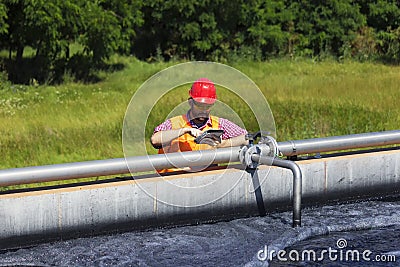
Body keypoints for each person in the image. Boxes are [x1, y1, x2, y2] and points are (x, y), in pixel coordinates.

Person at [151, 78, 248, 172]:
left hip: (206, 181)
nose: (204, 110)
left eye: (208, 106)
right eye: (200, 106)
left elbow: (246, 138)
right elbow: (155, 140)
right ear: (190, 102)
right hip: (173, 181)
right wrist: (184, 130)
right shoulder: (173, 123)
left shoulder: (220, 124)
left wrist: (223, 144)